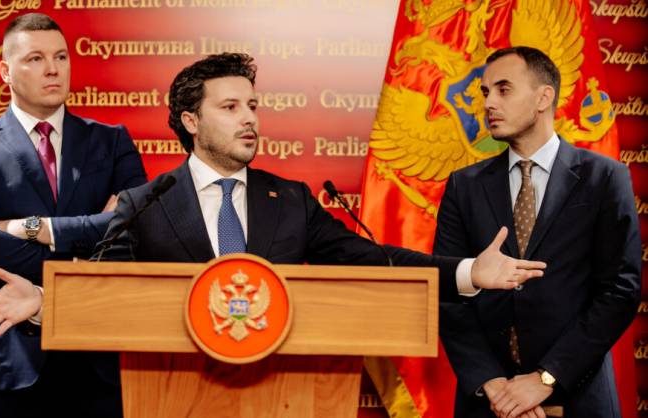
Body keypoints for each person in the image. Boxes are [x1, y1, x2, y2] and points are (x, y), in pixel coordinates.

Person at [93, 52, 545, 297]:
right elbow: (100, 295)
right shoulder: (145, 203)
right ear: (191, 122)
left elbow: (372, 259)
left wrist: (468, 271)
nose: (249, 118)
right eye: (230, 107)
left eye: (252, 106)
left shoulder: (291, 200)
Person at [0, 13, 147, 418]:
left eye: (61, 57)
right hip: (3, 349)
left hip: (95, 352)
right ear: (5, 71)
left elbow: (138, 228)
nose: (53, 69)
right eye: (35, 58)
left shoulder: (112, 140)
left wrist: (35, 229)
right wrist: (81, 256)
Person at [434, 46, 641, 418]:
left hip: (579, 400)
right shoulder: (463, 186)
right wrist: (493, 384)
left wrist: (546, 378)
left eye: (504, 90)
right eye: (486, 92)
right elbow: (447, 292)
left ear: (544, 97)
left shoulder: (605, 178)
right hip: (488, 404)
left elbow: (619, 291)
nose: (488, 103)